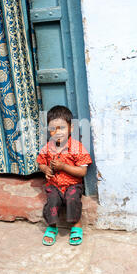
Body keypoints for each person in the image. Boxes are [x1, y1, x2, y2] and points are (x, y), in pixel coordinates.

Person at [37, 105, 92, 246]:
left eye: (61, 128)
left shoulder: (77, 147)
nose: (57, 132)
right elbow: (41, 163)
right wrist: (45, 170)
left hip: (73, 184)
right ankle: (52, 226)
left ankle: (77, 224)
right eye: (52, 129)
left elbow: (82, 171)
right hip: (54, 185)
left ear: (71, 128)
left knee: (72, 198)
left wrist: (63, 167)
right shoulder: (48, 147)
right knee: (52, 200)